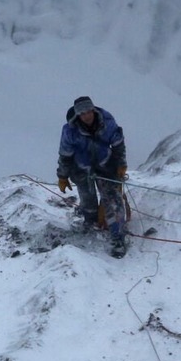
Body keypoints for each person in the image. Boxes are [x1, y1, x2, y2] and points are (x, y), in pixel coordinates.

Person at [56, 95, 129, 256]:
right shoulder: (70, 131)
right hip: (82, 169)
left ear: (93, 110)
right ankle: (91, 223)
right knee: (88, 201)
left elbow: (118, 144)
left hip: (106, 166)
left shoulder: (107, 122)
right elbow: (65, 155)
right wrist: (63, 176)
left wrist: (121, 164)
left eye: (89, 111)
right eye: (82, 113)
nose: (87, 116)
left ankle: (117, 237)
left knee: (112, 200)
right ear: (78, 115)